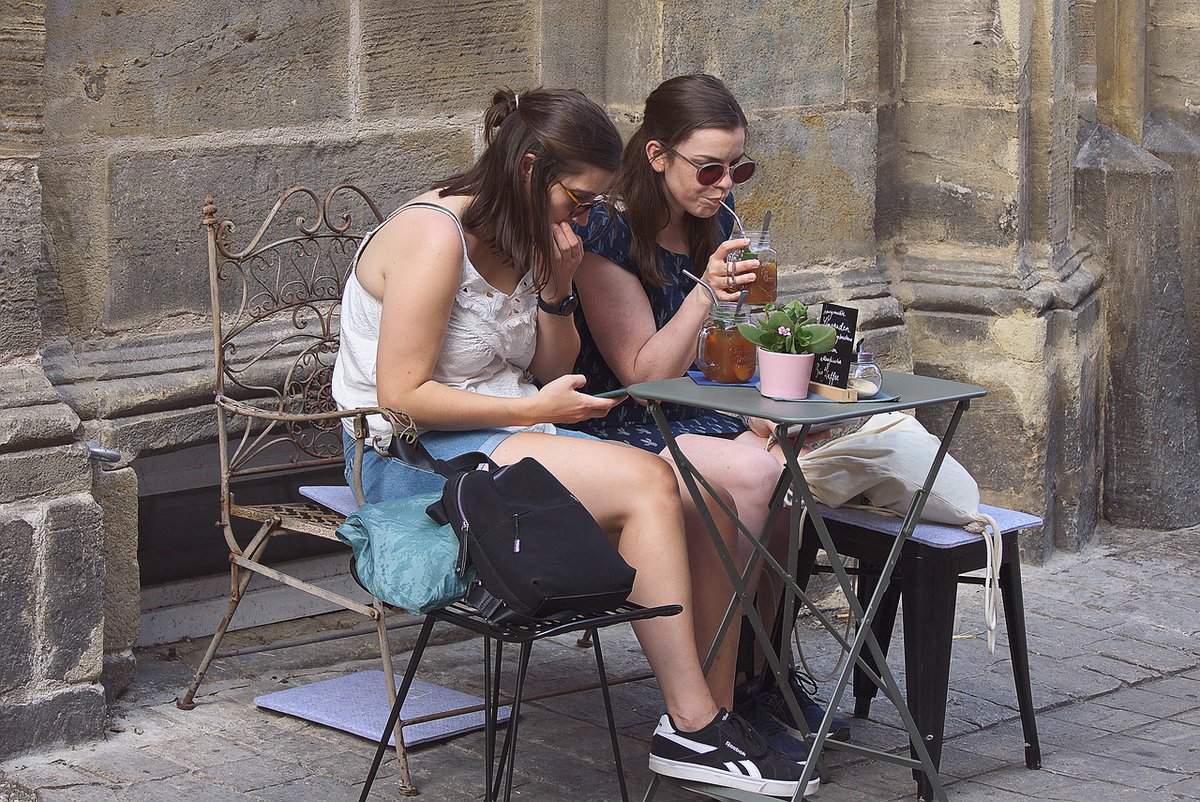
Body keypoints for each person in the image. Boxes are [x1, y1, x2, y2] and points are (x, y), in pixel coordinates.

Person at [331, 87, 814, 797]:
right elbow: (403, 395)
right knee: (650, 480)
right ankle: (689, 724)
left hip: (510, 427)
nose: (586, 218)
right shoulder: (434, 235)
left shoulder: (530, 231)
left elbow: (555, 368)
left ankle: (717, 715)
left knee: (700, 487)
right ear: (531, 169)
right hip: (410, 454)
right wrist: (534, 416)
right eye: (580, 200)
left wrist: (557, 288)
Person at [570, 74, 851, 759]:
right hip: (619, 425)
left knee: (788, 469)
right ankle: (710, 706)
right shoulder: (605, 229)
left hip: (698, 411)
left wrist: (770, 382)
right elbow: (642, 377)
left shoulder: (716, 223)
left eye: (738, 168)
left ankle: (760, 679)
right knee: (757, 478)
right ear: (659, 154)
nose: (726, 185)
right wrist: (705, 296)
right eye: (711, 168)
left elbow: (723, 356)